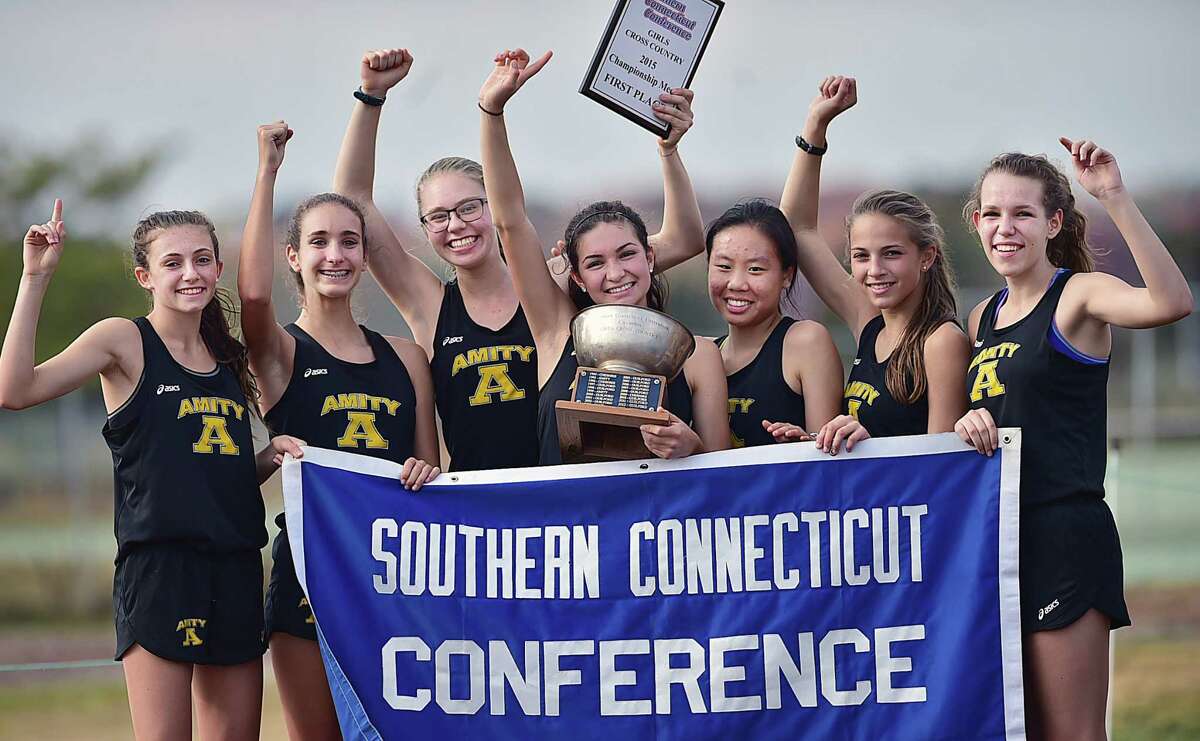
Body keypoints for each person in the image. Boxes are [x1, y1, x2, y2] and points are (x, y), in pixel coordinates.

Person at [0, 201, 304, 740]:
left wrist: (268, 456)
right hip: (161, 569)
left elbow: (215, 475)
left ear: (216, 269)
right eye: (173, 262)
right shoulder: (124, 340)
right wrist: (34, 278)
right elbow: (15, 390)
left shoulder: (228, 359)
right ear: (145, 275)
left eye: (203, 260)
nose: (191, 273)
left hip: (234, 566)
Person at [333, 47, 707, 471]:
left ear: (493, 205)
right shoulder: (430, 304)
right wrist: (370, 96)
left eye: (470, 207)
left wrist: (668, 150)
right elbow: (352, 204)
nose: (456, 225)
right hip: (482, 515)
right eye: (438, 216)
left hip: (554, 502)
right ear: (425, 227)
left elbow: (682, 241)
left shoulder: (555, 283)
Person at [955, 139, 1193, 740]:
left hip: (1065, 535)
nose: (1004, 229)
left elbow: (1171, 302)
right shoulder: (982, 317)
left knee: (1075, 735)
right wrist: (964, 422)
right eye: (992, 214)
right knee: (1020, 730)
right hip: (1000, 542)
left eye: (1022, 214)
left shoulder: (1079, 295)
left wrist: (1113, 195)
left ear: (1053, 222)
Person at [239, 121, 440, 740]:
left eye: (350, 242)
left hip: (397, 578)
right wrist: (268, 171)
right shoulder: (281, 353)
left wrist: (425, 474)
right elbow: (250, 297)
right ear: (293, 257)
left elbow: (432, 467)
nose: (336, 255)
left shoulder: (406, 357)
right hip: (310, 576)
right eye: (319, 242)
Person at [476, 48, 729, 464]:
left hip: (656, 527)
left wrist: (692, 447)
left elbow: (729, 478)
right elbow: (510, 222)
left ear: (650, 257)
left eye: (626, 254)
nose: (615, 273)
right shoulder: (557, 333)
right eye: (594, 263)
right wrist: (492, 110)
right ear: (576, 277)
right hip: (569, 527)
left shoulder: (698, 355)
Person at [779, 75, 969, 455]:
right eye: (861, 256)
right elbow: (796, 228)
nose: (874, 270)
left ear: (927, 256)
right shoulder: (870, 322)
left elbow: (941, 471)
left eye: (892, 253)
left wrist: (872, 443)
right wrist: (816, 126)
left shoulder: (941, 342)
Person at [705, 199, 843, 448]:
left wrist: (803, 444)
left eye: (756, 269)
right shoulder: (701, 356)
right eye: (723, 267)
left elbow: (828, 458)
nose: (736, 283)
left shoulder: (805, 342)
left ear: (786, 276)